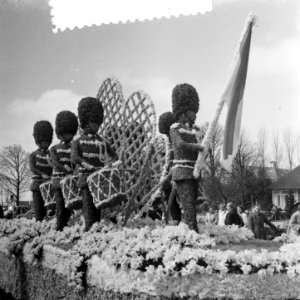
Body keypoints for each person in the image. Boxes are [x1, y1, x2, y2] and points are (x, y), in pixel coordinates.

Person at [71, 97, 118, 231]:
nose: (96, 126)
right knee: (88, 206)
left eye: (98, 123)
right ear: (85, 122)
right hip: (85, 178)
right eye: (93, 123)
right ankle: (88, 228)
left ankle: (95, 229)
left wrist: (112, 163)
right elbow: (74, 157)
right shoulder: (78, 140)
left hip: (99, 178)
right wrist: (84, 164)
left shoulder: (102, 141)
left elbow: (114, 155)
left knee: (98, 207)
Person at [169, 83, 204, 232]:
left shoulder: (195, 130)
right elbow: (180, 144)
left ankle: (191, 230)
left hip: (194, 171)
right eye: (192, 111)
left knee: (192, 205)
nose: (195, 114)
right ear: (183, 111)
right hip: (182, 172)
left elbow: (200, 147)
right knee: (188, 205)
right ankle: (192, 232)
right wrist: (198, 147)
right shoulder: (175, 128)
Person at [49, 111, 78, 231]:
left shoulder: (74, 146)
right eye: (65, 133)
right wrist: (66, 168)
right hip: (58, 180)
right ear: (60, 133)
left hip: (70, 181)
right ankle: (59, 227)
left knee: (69, 206)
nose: (68, 136)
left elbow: (76, 160)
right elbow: (55, 163)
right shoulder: (54, 148)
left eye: (70, 133)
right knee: (60, 206)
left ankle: (65, 227)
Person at [29, 121, 53, 221]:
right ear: (38, 141)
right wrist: (41, 174)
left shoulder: (51, 154)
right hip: (37, 185)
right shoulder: (33, 155)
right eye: (44, 141)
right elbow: (32, 168)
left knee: (51, 208)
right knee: (39, 210)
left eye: (47, 141)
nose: (45, 144)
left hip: (49, 185)